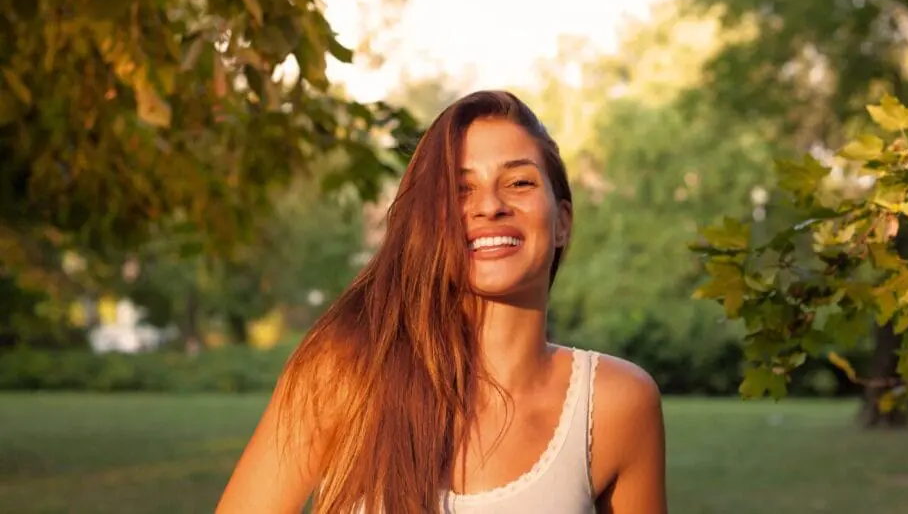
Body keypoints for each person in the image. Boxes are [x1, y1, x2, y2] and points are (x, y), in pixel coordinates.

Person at [217, 90, 667, 514]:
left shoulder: (614, 404)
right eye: (461, 189)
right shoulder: (347, 373)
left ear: (563, 222)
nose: (490, 205)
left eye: (519, 182)